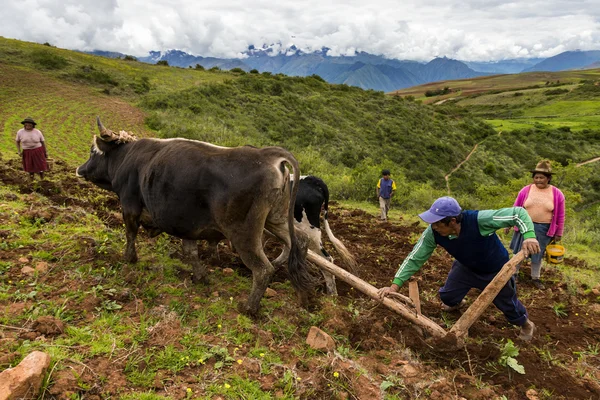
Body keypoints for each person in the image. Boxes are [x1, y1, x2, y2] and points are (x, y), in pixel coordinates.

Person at [377, 196, 540, 341]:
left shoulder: (479, 220)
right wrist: (394, 286)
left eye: (437, 223)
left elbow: (518, 213)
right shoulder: (433, 233)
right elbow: (414, 258)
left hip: (496, 270)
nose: (434, 227)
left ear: (452, 221)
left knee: (508, 306)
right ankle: (457, 303)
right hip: (466, 267)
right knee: (447, 297)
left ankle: (526, 324)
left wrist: (529, 236)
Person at [507, 160, 565, 290]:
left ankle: (535, 277)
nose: (538, 180)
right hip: (523, 225)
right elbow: (515, 208)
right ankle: (513, 274)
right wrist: (508, 224)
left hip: (543, 229)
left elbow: (560, 215)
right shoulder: (526, 190)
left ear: (548, 178)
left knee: (538, 253)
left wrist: (558, 233)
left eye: (542, 177)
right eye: (536, 177)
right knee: (519, 251)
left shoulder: (557, 194)